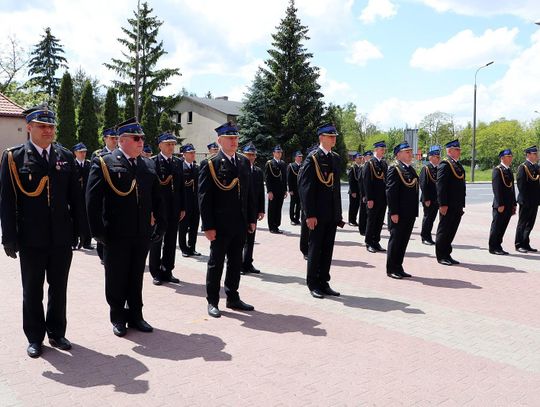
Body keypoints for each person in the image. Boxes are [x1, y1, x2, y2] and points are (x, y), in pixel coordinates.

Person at [0, 104, 79, 357]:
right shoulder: (14, 157)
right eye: (42, 126)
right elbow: (7, 201)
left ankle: (57, 333)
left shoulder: (65, 156)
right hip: (30, 238)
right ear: (30, 127)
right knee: (32, 290)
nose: (48, 131)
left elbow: (75, 199)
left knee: (59, 288)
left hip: (60, 238)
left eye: (51, 126)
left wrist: (80, 230)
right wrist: (8, 237)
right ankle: (35, 336)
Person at [86, 117, 166, 337]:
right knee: (116, 276)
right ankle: (118, 316)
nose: (141, 142)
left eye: (142, 138)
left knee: (136, 275)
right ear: (122, 140)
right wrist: (98, 233)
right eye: (136, 138)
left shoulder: (148, 164)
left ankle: (136, 315)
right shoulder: (105, 162)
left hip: (141, 232)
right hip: (116, 233)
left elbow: (157, 198)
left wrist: (161, 223)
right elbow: (92, 201)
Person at [198, 122, 257, 318]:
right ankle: (212, 301)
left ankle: (232, 296)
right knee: (216, 263)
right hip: (220, 225)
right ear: (220, 140)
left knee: (235, 262)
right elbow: (204, 198)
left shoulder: (242, 162)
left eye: (236, 138)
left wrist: (251, 218)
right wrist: (208, 226)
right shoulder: (210, 164)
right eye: (230, 138)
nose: (234, 141)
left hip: (239, 223)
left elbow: (248, 193)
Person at [298, 123, 344, 299]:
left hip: (330, 214)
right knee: (315, 249)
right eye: (330, 136)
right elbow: (305, 189)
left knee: (327, 249)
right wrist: (309, 214)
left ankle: (324, 281)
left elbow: (336, 189)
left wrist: (338, 215)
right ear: (321, 138)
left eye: (334, 136)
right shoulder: (312, 159)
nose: (333, 139)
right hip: (316, 214)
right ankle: (313, 283)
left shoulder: (335, 158)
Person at [148, 132, 186, 285]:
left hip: (174, 208)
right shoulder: (152, 162)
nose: (171, 147)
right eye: (168, 144)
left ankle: (167, 270)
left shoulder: (177, 163)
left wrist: (183, 207)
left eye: (173, 144)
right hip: (159, 209)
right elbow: (149, 189)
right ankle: (155, 272)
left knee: (171, 240)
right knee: (157, 239)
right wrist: (150, 211)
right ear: (160, 145)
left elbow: (181, 187)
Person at [385, 142, 419, 279]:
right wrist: (394, 212)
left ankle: (399, 267)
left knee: (403, 241)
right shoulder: (394, 169)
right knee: (396, 241)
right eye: (407, 152)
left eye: (410, 152)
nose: (410, 154)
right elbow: (391, 192)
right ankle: (391, 268)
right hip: (398, 213)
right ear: (398, 154)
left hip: (409, 212)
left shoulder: (410, 169)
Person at [435, 139, 466, 266]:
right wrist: (442, 204)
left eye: (459, 149)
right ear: (449, 150)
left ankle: (447, 253)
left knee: (452, 230)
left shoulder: (457, 165)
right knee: (444, 230)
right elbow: (441, 186)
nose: (459, 152)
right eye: (457, 149)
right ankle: (441, 255)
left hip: (457, 204)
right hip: (447, 205)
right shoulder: (445, 165)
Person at [91, 127, 119, 264]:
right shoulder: (98, 155)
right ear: (105, 139)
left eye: (116, 138)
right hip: (103, 197)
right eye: (112, 138)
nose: (115, 140)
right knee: (103, 223)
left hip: (118, 197)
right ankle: (102, 254)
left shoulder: (121, 154)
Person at [241, 142, 265, 274]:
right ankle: (239, 265)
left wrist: (261, 210)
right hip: (242, 211)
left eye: (253, 155)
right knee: (240, 240)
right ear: (244, 155)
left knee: (250, 239)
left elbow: (261, 192)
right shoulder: (239, 169)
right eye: (249, 154)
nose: (251, 157)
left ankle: (248, 263)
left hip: (254, 211)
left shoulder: (258, 171)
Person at [488, 149, 516, 255]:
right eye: (508, 156)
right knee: (497, 226)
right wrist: (500, 204)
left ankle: (498, 246)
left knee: (503, 226)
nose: (510, 158)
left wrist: (514, 203)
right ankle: (493, 247)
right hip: (501, 204)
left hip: (508, 204)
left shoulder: (509, 170)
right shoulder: (497, 170)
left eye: (511, 156)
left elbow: (512, 188)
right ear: (502, 158)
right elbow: (496, 188)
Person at [363, 141, 388, 253]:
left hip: (382, 198)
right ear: (376, 150)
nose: (383, 151)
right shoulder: (369, 164)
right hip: (373, 198)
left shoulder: (383, 163)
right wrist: (369, 198)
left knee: (379, 220)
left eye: (384, 149)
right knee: (372, 221)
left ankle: (376, 241)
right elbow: (367, 182)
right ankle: (369, 242)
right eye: (381, 149)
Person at [515, 146, 540, 253]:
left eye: (537, 154)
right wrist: (525, 200)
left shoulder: (536, 167)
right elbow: (521, 186)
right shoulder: (523, 167)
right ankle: (519, 244)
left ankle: (526, 243)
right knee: (522, 223)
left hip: (535, 201)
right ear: (528, 155)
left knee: (530, 223)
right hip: (526, 201)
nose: (537, 156)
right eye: (535, 154)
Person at [178, 143, 200, 257]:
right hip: (185, 202)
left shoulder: (197, 167)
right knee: (183, 227)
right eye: (190, 153)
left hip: (195, 203)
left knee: (194, 225)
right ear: (184, 154)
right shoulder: (181, 167)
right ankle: (183, 248)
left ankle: (192, 247)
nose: (193, 155)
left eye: (194, 153)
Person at [72, 142, 93, 250]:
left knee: (87, 219)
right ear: (75, 153)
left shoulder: (89, 164)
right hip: (75, 196)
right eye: (80, 152)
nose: (83, 154)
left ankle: (87, 242)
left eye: (84, 152)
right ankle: (74, 241)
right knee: (75, 218)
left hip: (86, 195)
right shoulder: (72, 164)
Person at [419, 146, 441, 245]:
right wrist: (426, 198)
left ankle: (429, 236)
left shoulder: (438, 169)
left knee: (432, 219)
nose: (438, 159)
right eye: (436, 157)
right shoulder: (426, 168)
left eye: (439, 157)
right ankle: (424, 237)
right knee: (427, 218)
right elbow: (423, 184)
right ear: (431, 157)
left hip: (436, 199)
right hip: (428, 199)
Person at [265, 145, 288, 234]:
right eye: (277, 152)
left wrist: (285, 190)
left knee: (278, 208)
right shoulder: (270, 163)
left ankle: (277, 225)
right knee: (272, 209)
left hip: (281, 190)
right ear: (273, 153)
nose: (279, 154)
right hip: (273, 191)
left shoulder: (282, 163)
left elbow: (284, 178)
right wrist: (269, 191)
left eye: (280, 152)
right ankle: (272, 227)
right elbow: (267, 178)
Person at [357, 150, 372, 236]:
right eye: (368, 156)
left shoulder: (371, 166)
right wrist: (363, 194)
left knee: (367, 213)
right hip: (364, 194)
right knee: (363, 212)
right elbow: (361, 182)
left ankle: (366, 228)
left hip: (368, 193)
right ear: (365, 157)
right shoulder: (363, 167)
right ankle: (362, 229)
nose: (370, 157)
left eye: (371, 156)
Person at [287, 151, 303, 225]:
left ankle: (297, 218)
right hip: (293, 189)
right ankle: (292, 219)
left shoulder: (303, 166)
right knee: (293, 204)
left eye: (301, 157)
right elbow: (289, 179)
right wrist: (290, 189)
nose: (300, 158)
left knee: (299, 205)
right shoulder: (291, 166)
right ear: (295, 157)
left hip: (300, 189)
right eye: (299, 157)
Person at [347, 153, 363, 226]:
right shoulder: (353, 167)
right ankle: (351, 220)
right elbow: (351, 180)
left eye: (361, 158)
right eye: (359, 158)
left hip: (359, 190)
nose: (360, 159)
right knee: (353, 206)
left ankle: (354, 220)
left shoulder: (360, 167)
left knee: (357, 206)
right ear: (355, 159)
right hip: (354, 191)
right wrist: (353, 191)